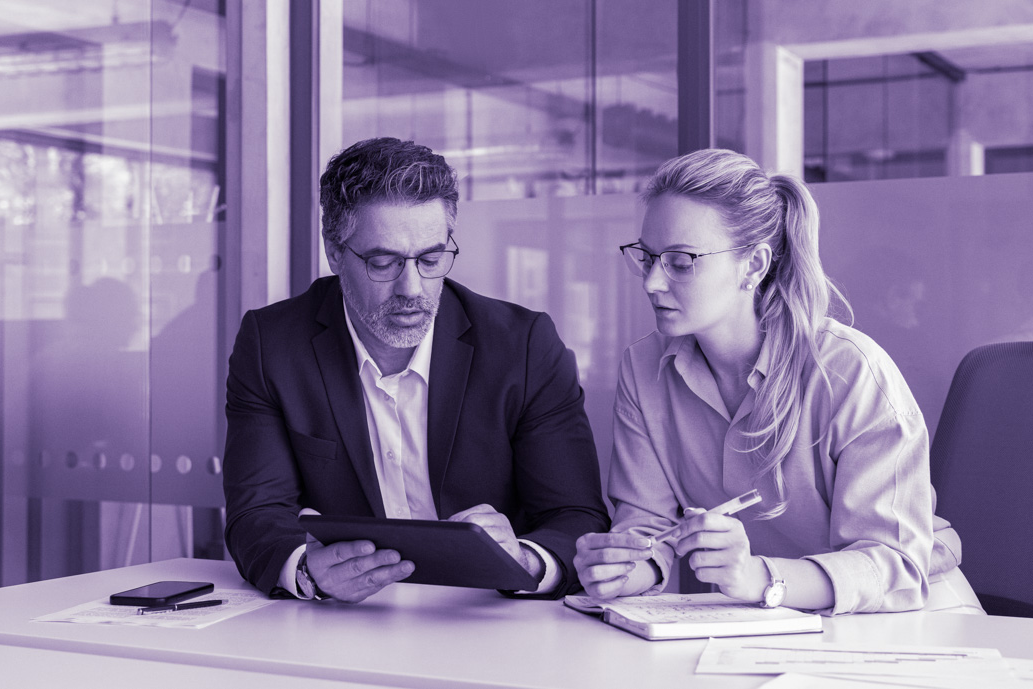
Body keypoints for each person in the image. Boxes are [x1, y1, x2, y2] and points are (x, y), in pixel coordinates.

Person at [574, 149, 982, 614]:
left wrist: (757, 576)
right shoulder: (643, 367)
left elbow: (894, 567)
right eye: (647, 258)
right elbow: (647, 527)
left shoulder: (849, 372)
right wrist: (625, 568)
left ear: (753, 265)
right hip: (766, 630)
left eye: (681, 261)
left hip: (909, 624)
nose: (651, 282)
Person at [222, 137, 608, 602]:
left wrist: (524, 559)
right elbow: (256, 513)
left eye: (430, 259)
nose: (412, 288)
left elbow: (577, 515)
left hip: (492, 617)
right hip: (347, 622)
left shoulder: (523, 346)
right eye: (383, 262)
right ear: (334, 252)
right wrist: (307, 571)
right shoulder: (273, 344)